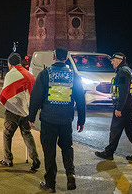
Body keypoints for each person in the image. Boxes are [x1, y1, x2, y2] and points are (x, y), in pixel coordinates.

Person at [28, 47, 86, 193]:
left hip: (48, 119)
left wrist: (31, 117)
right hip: (66, 119)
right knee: (67, 147)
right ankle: (70, 174)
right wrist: (81, 120)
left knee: (49, 151)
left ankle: (50, 183)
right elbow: (80, 100)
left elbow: (35, 98)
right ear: (66, 58)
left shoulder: (45, 74)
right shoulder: (74, 76)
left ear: (54, 57)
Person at [95, 52, 132, 162]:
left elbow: (123, 91)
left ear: (119, 60)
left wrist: (119, 108)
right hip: (130, 104)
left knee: (115, 129)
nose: (111, 62)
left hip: (125, 106)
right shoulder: (127, 70)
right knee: (130, 130)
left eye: (113, 60)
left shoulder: (123, 72)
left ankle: (109, 153)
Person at [0, 52, 40, 171]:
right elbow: (33, 94)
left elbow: (5, 93)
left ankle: (8, 159)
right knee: (27, 134)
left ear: (9, 64)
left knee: (7, 135)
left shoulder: (10, 75)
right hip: (26, 111)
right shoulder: (30, 75)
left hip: (12, 110)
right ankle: (35, 158)